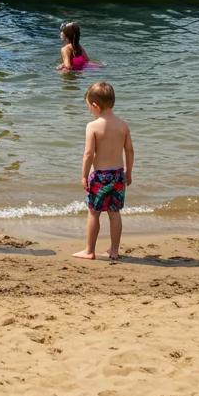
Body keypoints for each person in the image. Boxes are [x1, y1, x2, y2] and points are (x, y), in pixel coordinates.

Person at [74, 81, 134, 261]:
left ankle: (89, 250)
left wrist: (84, 175)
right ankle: (114, 251)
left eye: (88, 106)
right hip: (118, 175)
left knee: (94, 213)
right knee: (114, 213)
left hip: (100, 177)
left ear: (95, 105)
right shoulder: (123, 125)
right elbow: (129, 151)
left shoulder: (92, 126)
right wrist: (128, 172)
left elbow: (88, 154)